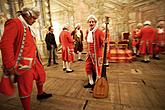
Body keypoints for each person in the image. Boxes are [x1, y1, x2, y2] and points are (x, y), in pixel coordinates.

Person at [0, 6, 52, 110]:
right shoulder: (14, 23)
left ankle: (40, 93)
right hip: (22, 63)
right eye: (33, 18)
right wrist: (10, 65)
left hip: (34, 59)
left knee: (41, 75)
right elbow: (6, 44)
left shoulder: (26, 26)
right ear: (27, 15)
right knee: (25, 87)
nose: (35, 21)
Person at [84, 15, 104, 89]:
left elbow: (103, 43)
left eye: (93, 22)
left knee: (97, 70)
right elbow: (87, 41)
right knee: (88, 68)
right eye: (90, 22)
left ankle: (97, 84)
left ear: (95, 23)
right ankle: (91, 82)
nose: (91, 23)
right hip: (89, 54)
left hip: (97, 54)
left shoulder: (99, 31)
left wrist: (104, 42)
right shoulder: (88, 31)